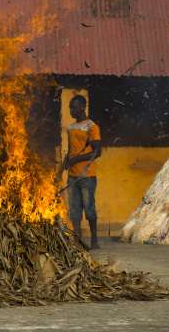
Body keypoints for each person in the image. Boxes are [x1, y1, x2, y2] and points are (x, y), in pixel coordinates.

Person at [62, 95, 102, 250]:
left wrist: (76, 160)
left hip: (87, 175)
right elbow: (71, 151)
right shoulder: (71, 127)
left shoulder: (92, 126)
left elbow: (97, 152)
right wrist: (66, 163)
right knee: (74, 210)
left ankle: (94, 240)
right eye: (70, 107)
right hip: (72, 175)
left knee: (89, 208)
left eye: (74, 107)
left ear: (83, 107)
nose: (71, 110)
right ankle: (77, 241)